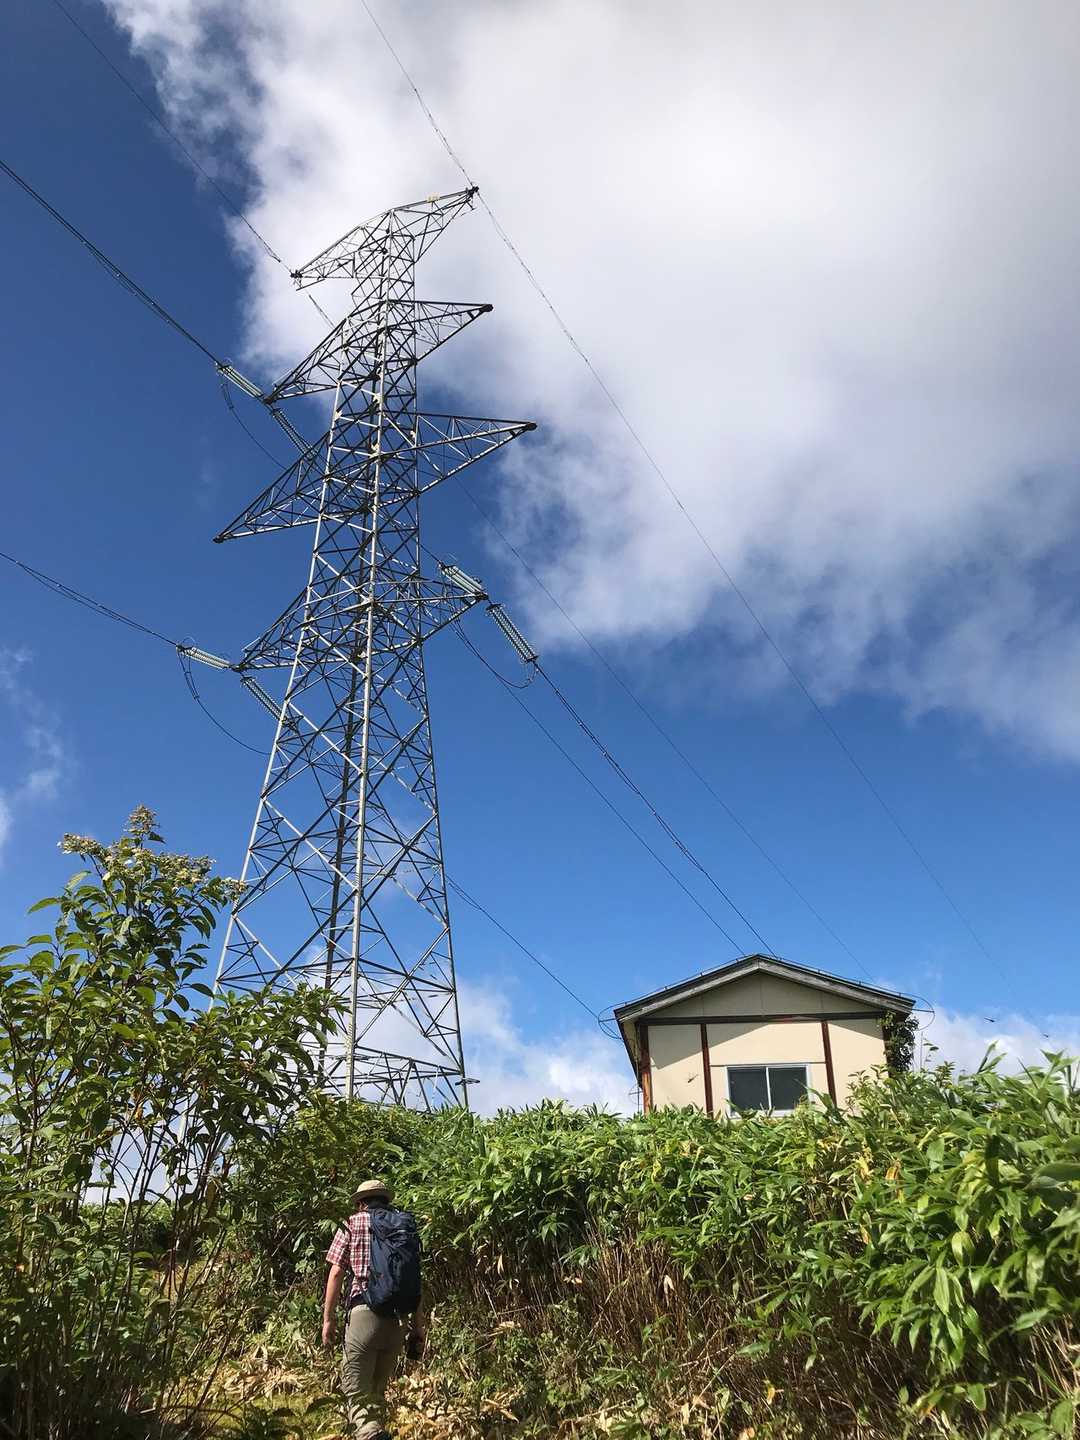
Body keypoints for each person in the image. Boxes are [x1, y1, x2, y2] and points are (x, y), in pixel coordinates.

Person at [322, 1178, 426, 1440]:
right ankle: (375, 1432)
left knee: (357, 1392)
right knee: (377, 1393)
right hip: (398, 1319)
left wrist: (328, 1319)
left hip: (364, 1314)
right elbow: (414, 1278)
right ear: (386, 1200)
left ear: (360, 1203)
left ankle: (370, 1434)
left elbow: (336, 1273)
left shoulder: (352, 1223)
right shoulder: (404, 1226)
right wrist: (418, 1326)